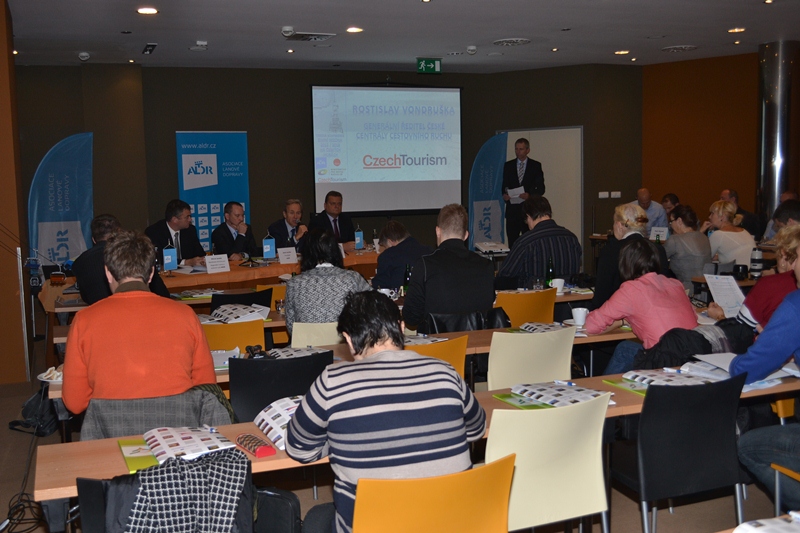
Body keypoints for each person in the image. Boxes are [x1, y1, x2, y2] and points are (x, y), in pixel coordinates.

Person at [286, 291, 486, 533]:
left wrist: (338, 441)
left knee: (316, 517)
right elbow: (476, 429)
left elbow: (299, 449)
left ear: (348, 339)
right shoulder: (445, 371)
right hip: (453, 525)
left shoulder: (333, 381)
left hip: (371, 527)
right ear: (401, 328)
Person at [62, 230, 217, 415]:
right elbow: (207, 389)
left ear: (108, 273)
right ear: (151, 273)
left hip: (112, 429)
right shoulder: (186, 315)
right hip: (178, 426)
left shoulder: (84, 320)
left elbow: (75, 402)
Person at [629, 225, 800, 371]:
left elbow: (741, 332)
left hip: (754, 358)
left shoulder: (771, 285)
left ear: (784, 255)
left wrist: (720, 317)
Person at [586, 239, 698, 374]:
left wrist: (621, 321)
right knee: (629, 347)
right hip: (694, 357)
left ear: (625, 264)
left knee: (624, 349)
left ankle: (605, 387)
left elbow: (590, 326)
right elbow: (694, 316)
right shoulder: (675, 284)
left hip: (664, 361)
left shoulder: (631, 289)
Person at [402, 204, 495, 334]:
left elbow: (411, 318)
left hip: (438, 344)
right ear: (466, 235)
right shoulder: (486, 265)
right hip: (476, 344)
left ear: (437, 231)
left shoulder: (425, 266)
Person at [284, 229, 370, 335]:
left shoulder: (294, 283)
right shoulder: (353, 278)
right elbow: (374, 309)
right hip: (345, 343)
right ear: (336, 250)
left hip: (307, 343)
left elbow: (291, 327)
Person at [72, 214, 170, 305]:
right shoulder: (136, 253)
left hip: (98, 314)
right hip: (141, 309)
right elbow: (162, 293)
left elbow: (86, 297)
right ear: (120, 234)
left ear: (93, 239)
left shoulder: (79, 262)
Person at [591, 203, 670, 309]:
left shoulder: (611, 251)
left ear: (619, 225)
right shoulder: (658, 249)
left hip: (620, 311)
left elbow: (602, 294)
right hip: (652, 310)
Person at [495, 195, 581, 289]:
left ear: (528, 216)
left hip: (536, 296)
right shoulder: (572, 238)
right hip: (569, 296)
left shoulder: (525, 242)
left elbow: (504, 277)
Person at [502, 138, 545, 248]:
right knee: (512, 242)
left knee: (529, 242)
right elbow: (504, 185)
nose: (518, 152)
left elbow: (541, 188)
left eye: (521, 149)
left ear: (527, 150)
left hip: (528, 211)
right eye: (516, 149)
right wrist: (505, 195)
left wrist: (530, 195)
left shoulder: (535, 166)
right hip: (512, 211)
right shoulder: (508, 165)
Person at [663, 205, 712, 293]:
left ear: (679, 221)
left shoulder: (675, 240)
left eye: (671, 221)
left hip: (686, 291)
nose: (670, 225)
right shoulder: (704, 237)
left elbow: (658, 260)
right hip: (706, 290)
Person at [371, 220, 432, 289]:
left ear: (390, 241)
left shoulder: (387, 256)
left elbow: (380, 286)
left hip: (402, 294)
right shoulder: (429, 251)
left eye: (385, 247)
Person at [145, 199, 206, 266]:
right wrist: (185, 262)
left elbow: (200, 254)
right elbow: (158, 259)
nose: (190, 219)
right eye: (187, 217)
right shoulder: (154, 232)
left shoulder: (190, 230)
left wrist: (202, 260)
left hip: (189, 271)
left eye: (190, 216)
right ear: (175, 220)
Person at [700, 200, 755, 266]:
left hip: (735, 271)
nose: (709, 217)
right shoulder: (744, 231)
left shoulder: (719, 235)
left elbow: (701, 258)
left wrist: (700, 232)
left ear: (722, 217)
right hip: (751, 270)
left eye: (712, 213)